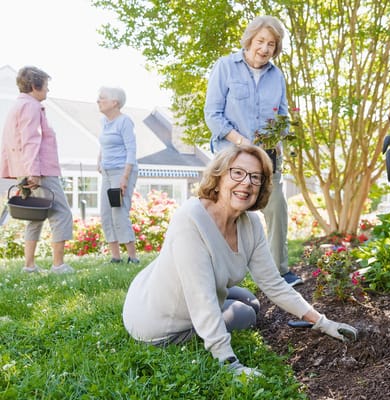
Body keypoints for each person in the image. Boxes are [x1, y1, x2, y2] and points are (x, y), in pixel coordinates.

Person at [122, 145, 357, 377]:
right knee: (247, 315)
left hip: (159, 290)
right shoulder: (190, 220)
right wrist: (229, 363)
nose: (247, 182)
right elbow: (201, 299)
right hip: (158, 322)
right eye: (237, 172)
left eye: (256, 177)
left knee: (250, 300)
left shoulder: (250, 223)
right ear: (219, 176)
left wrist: (324, 323)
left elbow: (273, 284)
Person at [204, 15, 302, 287]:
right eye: (260, 41)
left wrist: (279, 137)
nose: (265, 48)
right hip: (231, 154)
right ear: (249, 40)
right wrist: (242, 142)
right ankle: (219, 271)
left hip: (267, 156)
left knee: (276, 207)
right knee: (228, 210)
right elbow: (212, 115)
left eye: (271, 44)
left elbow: (282, 116)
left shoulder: (276, 76)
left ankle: (277, 272)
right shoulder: (225, 67)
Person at [0, 66, 74, 274]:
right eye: (46, 87)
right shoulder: (31, 106)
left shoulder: (18, 106)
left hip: (26, 168)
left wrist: (23, 171)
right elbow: (31, 140)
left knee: (35, 214)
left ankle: (29, 266)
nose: (48, 91)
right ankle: (58, 265)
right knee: (61, 212)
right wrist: (33, 172)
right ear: (35, 86)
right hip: (39, 170)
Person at [96, 86, 139, 264]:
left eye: (102, 98)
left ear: (115, 102)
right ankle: (115, 257)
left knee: (119, 212)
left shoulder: (124, 121)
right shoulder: (104, 121)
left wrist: (125, 177)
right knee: (106, 213)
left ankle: (133, 257)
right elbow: (104, 144)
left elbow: (131, 150)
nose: (98, 101)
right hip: (107, 172)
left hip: (122, 171)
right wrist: (99, 160)